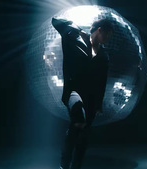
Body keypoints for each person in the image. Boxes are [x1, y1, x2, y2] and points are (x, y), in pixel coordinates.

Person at [51, 17, 114, 169]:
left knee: (83, 133)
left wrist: (99, 104)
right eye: (107, 34)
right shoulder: (74, 38)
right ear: (100, 30)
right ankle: (64, 163)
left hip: (91, 98)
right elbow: (56, 21)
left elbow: (102, 82)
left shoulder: (104, 56)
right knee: (78, 117)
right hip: (73, 91)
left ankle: (75, 166)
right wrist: (78, 30)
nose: (108, 38)